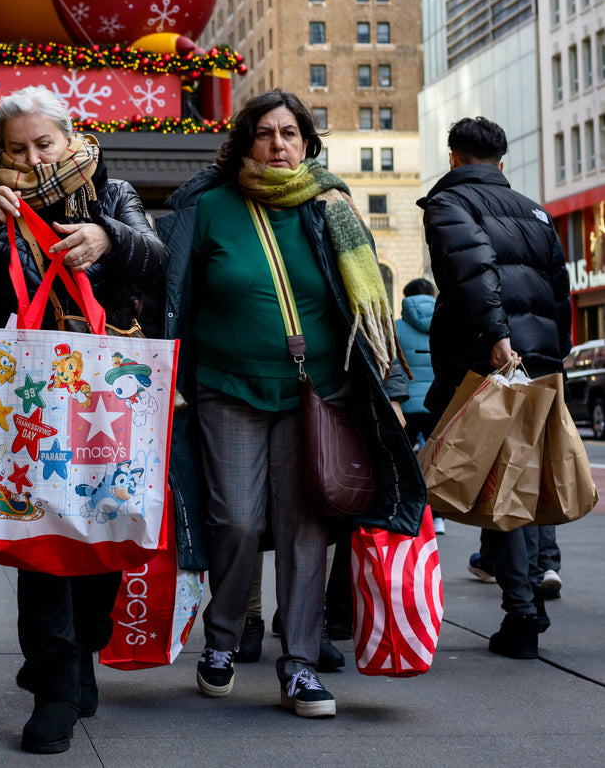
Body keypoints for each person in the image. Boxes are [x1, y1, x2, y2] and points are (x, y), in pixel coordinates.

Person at [161, 89, 425, 719]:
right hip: (227, 389)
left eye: (290, 133)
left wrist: (382, 387)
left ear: (307, 142)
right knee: (237, 520)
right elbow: (175, 293)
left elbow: (359, 304)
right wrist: (168, 371)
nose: (278, 145)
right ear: (244, 142)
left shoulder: (328, 207)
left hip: (318, 395)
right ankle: (221, 642)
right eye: (264, 134)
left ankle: (300, 663)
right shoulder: (208, 208)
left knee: (308, 528)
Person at [0, 86, 167, 755]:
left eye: (43, 144)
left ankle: (82, 650)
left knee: (101, 537)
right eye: (16, 149)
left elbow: (158, 260)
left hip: (105, 400)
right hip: (27, 399)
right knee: (41, 544)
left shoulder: (110, 194)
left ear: (70, 138)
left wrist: (106, 238)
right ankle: (55, 690)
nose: (31, 158)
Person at [419, 115, 571, 660]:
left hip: (488, 359)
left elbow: (471, 273)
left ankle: (523, 614)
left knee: (501, 487)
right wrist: (557, 353)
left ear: (454, 156)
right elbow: (559, 290)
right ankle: (529, 598)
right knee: (523, 482)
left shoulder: (449, 204)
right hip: (540, 361)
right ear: (501, 162)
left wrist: (496, 337)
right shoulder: (534, 210)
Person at [394, 278, 444, 534]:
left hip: (406, 405)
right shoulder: (445, 324)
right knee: (436, 461)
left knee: (403, 463)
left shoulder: (397, 328)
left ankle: (406, 510)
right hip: (436, 404)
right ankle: (437, 516)